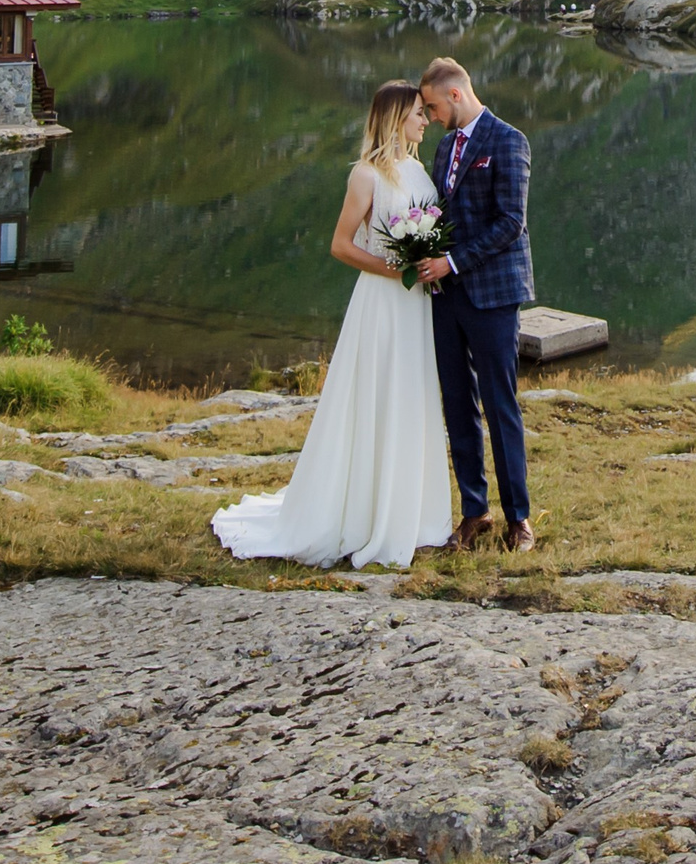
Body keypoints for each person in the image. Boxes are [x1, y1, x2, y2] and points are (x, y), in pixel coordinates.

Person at [211, 80, 455, 569]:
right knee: (375, 396)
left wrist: (427, 257)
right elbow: (341, 245)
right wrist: (393, 268)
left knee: (411, 396)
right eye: (416, 114)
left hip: (417, 304)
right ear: (394, 118)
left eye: (425, 114)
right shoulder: (366, 175)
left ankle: (413, 512)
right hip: (383, 302)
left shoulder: (418, 169)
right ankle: (362, 514)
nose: (425, 120)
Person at [416, 56, 535, 552]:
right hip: (446, 299)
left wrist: (453, 263)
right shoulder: (444, 150)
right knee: (457, 404)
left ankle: (519, 520)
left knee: (500, 404)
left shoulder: (509, 141)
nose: (431, 116)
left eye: (433, 106)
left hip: (492, 295)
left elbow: (511, 223)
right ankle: (474, 512)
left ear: (457, 95)